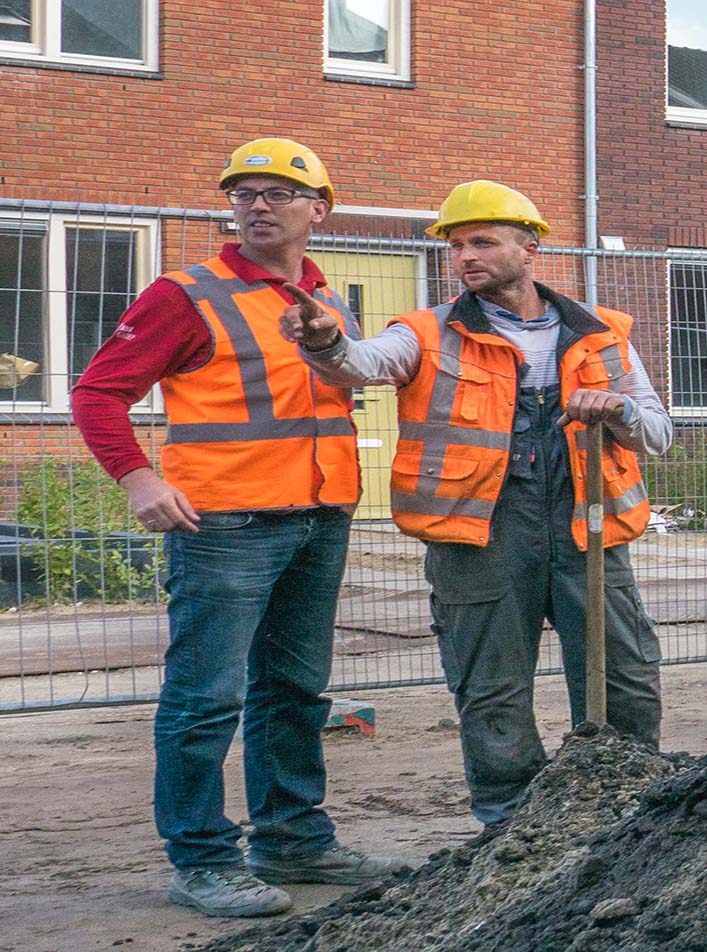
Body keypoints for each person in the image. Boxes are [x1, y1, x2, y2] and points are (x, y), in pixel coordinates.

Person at [72, 137, 402, 919]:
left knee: (294, 689)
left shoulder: (324, 299)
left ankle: (294, 838)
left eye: (277, 194)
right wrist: (139, 478)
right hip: (225, 525)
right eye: (243, 193)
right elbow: (97, 393)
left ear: (318, 210)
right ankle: (201, 859)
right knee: (204, 698)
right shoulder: (188, 294)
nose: (257, 205)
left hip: (320, 517)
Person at [280, 179, 673, 830]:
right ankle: (510, 828)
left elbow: (658, 433)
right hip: (478, 537)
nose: (464, 256)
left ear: (530, 247)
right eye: (456, 245)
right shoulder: (426, 334)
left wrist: (620, 408)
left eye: (482, 242)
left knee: (624, 679)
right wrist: (324, 343)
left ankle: (622, 815)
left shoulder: (601, 332)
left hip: (587, 532)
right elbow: (362, 363)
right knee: (491, 691)